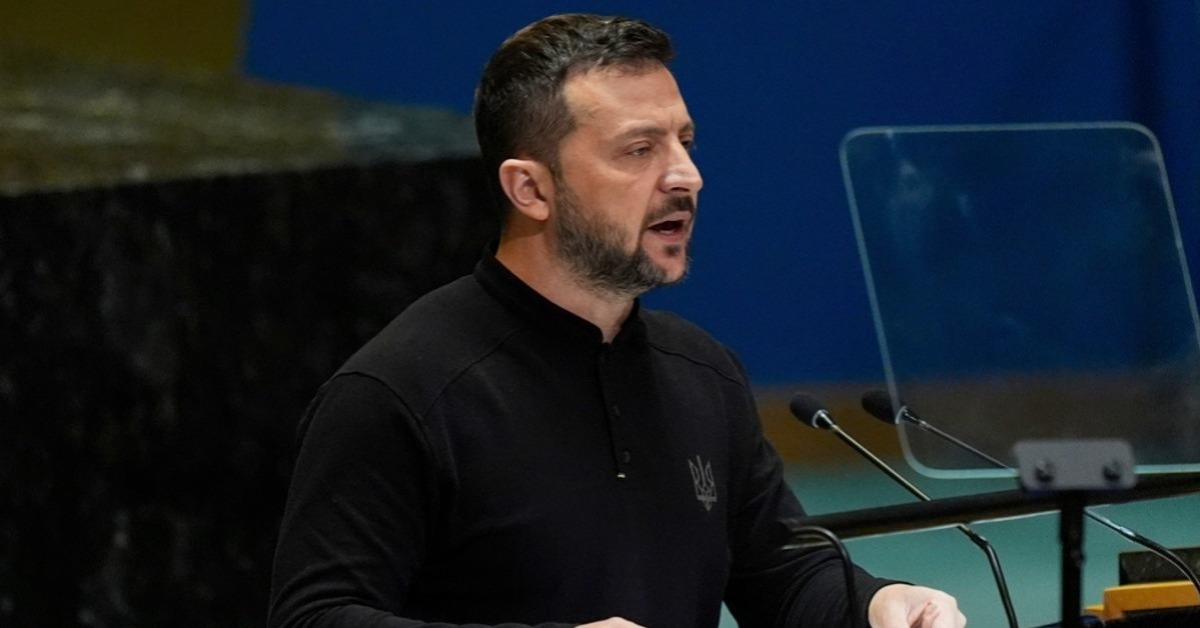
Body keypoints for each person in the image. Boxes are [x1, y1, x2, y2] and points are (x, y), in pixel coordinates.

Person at [268, 13, 966, 628]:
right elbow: (315, 616)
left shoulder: (703, 373)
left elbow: (781, 575)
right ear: (530, 188)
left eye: (685, 141)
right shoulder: (401, 392)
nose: (686, 175)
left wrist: (877, 603)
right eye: (640, 150)